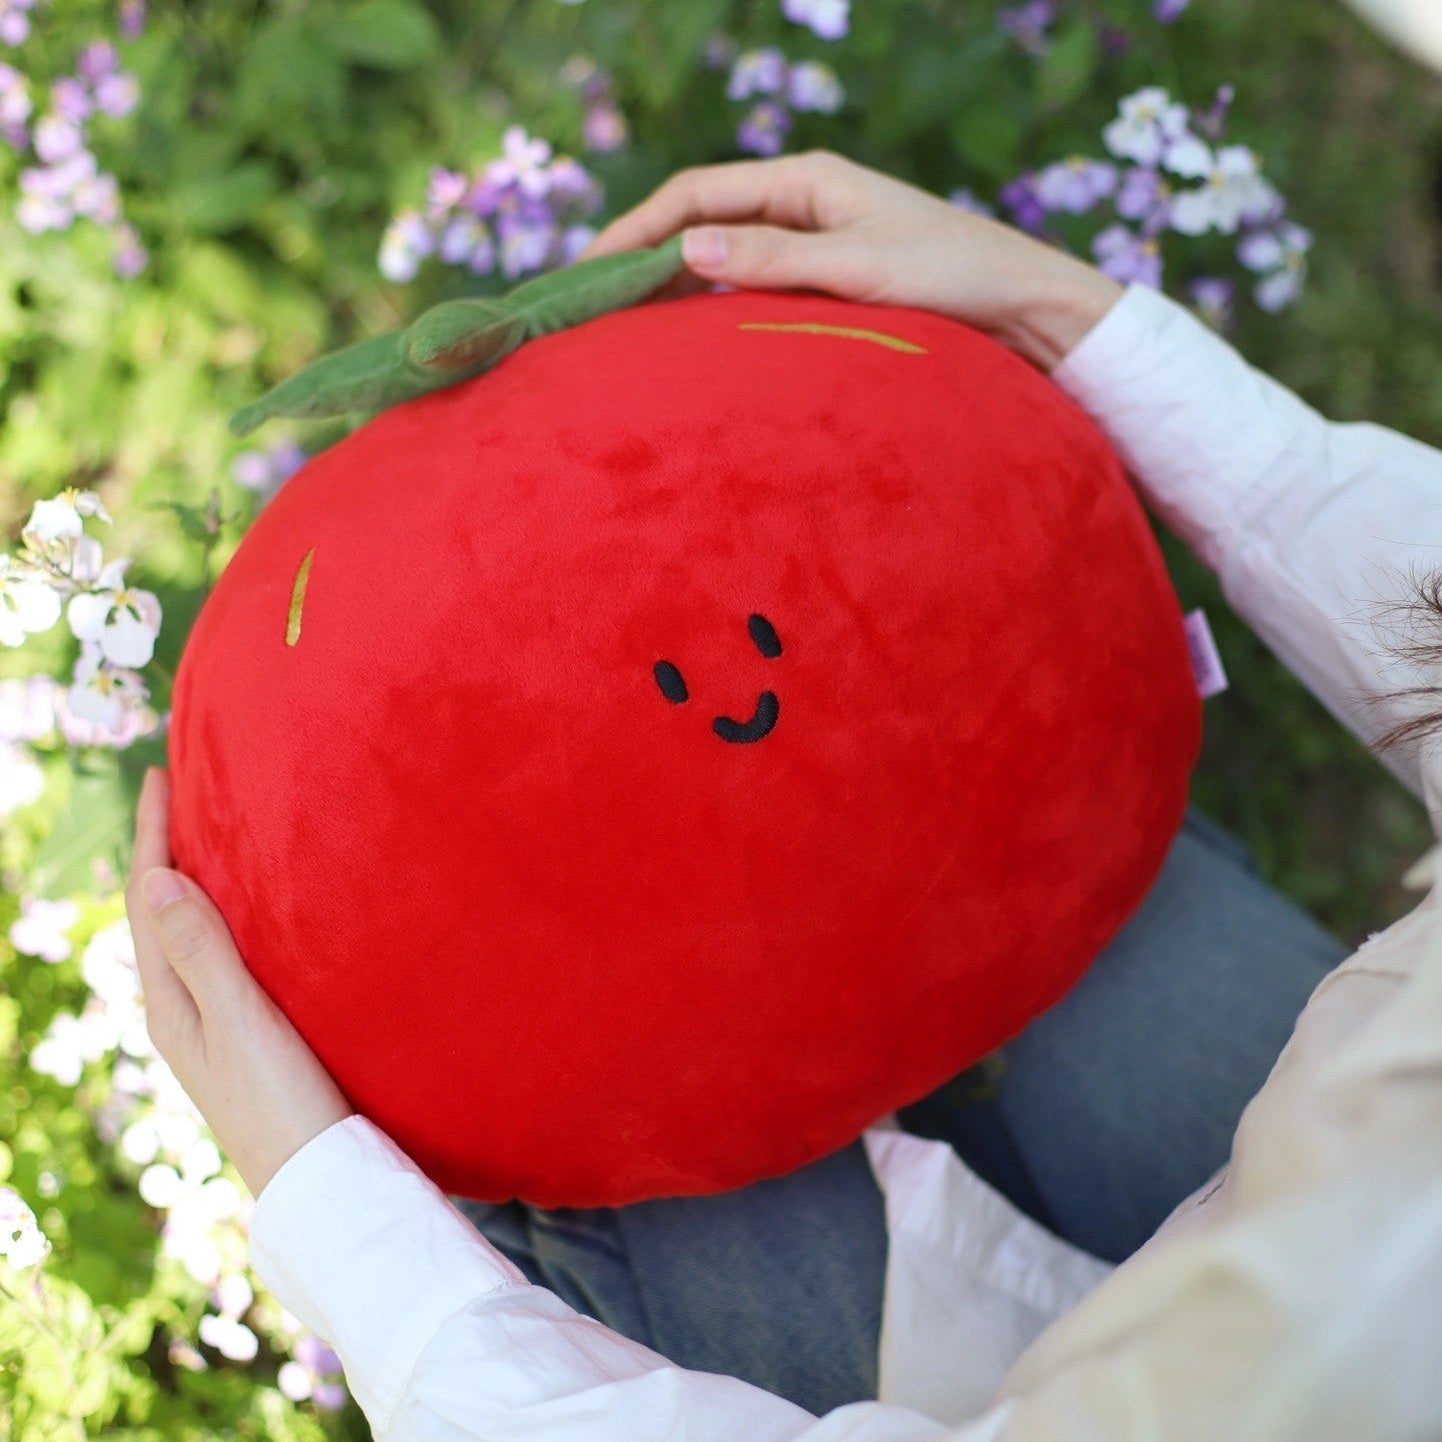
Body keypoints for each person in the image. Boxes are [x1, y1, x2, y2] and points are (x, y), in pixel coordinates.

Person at [125, 152, 1442, 1439]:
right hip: (1366, 1164)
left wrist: (349, 1229)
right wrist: (1059, 311)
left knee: (572, 1113)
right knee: (1033, 847)